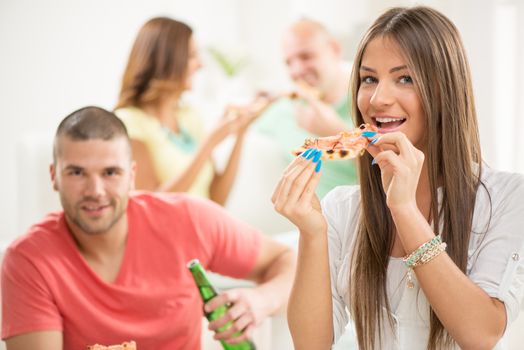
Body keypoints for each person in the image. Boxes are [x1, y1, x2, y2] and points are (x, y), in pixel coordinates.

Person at [273, 6, 524, 350]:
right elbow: (311, 344)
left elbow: (480, 334)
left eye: (404, 78)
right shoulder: (342, 208)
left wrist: (404, 209)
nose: (377, 99)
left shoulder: (507, 197)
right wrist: (312, 233)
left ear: (444, 90)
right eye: (369, 79)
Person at [1, 106, 295, 350]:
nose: (96, 191)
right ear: (54, 176)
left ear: (131, 175)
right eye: (77, 173)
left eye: (111, 173)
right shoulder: (27, 261)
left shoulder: (187, 219)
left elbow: (288, 260)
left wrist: (260, 301)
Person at [115, 17, 257, 205]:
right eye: (191, 56)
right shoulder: (129, 122)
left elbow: (217, 199)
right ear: (166, 60)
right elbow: (152, 205)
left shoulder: (189, 116)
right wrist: (209, 144)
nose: (200, 65)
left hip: (208, 227)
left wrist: (241, 132)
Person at [255, 18, 357, 198]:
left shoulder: (368, 103)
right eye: (288, 62)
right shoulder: (284, 110)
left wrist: (338, 135)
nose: (296, 71)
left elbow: (391, 172)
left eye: (306, 57)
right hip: (313, 222)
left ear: (334, 49)